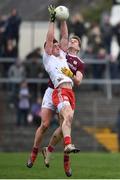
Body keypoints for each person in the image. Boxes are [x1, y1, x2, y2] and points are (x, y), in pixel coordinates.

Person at [27, 5, 84, 176]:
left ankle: (52, 151)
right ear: (49, 49)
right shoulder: (49, 57)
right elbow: (52, 37)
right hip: (54, 91)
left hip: (67, 90)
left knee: (67, 122)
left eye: (59, 45)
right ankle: (34, 154)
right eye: (54, 45)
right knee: (45, 124)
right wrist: (53, 20)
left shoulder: (66, 56)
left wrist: (63, 19)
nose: (58, 45)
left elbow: (64, 35)